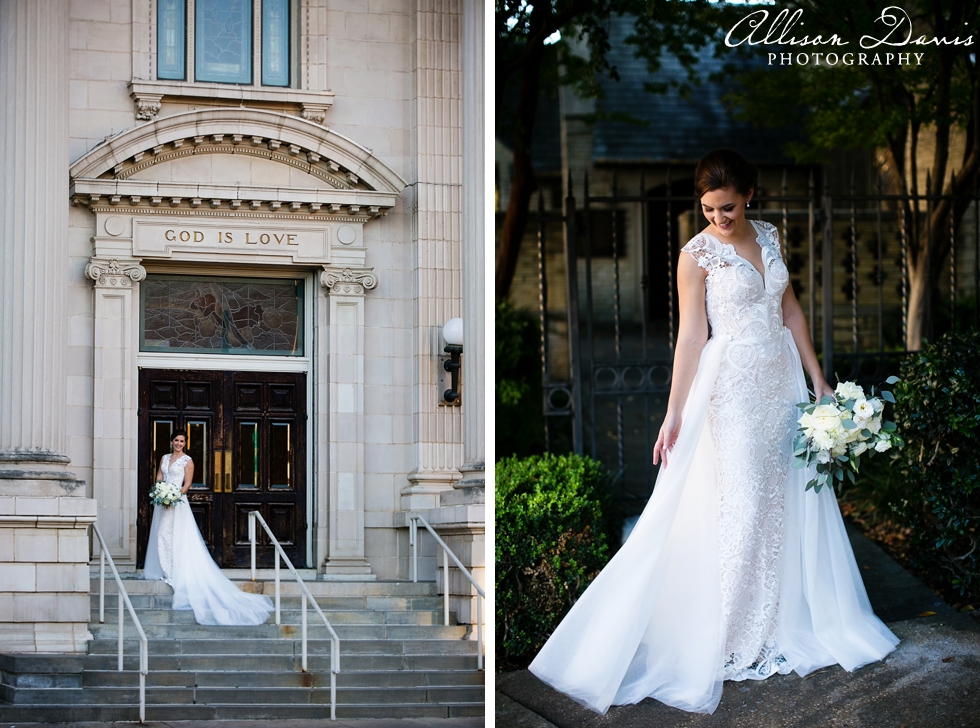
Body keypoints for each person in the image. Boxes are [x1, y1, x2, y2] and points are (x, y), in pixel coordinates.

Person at [528, 149, 898, 714]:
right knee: (744, 504)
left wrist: (819, 382)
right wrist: (674, 413)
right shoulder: (695, 254)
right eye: (707, 208)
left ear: (749, 195)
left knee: (785, 501)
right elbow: (690, 339)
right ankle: (725, 634)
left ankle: (781, 620)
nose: (718, 219)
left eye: (726, 207)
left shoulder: (770, 236)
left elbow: (791, 311)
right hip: (733, 391)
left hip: (782, 383)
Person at [143, 429, 273, 626]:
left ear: (185, 443)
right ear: (171, 442)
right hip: (163, 503)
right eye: (176, 440)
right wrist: (160, 490)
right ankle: (164, 568)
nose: (179, 443)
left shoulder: (187, 460)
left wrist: (173, 495)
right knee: (162, 534)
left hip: (177, 502)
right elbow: (160, 475)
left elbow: (187, 484)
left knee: (175, 536)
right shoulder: (164, 457)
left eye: (182, 441)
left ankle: (173, 571)